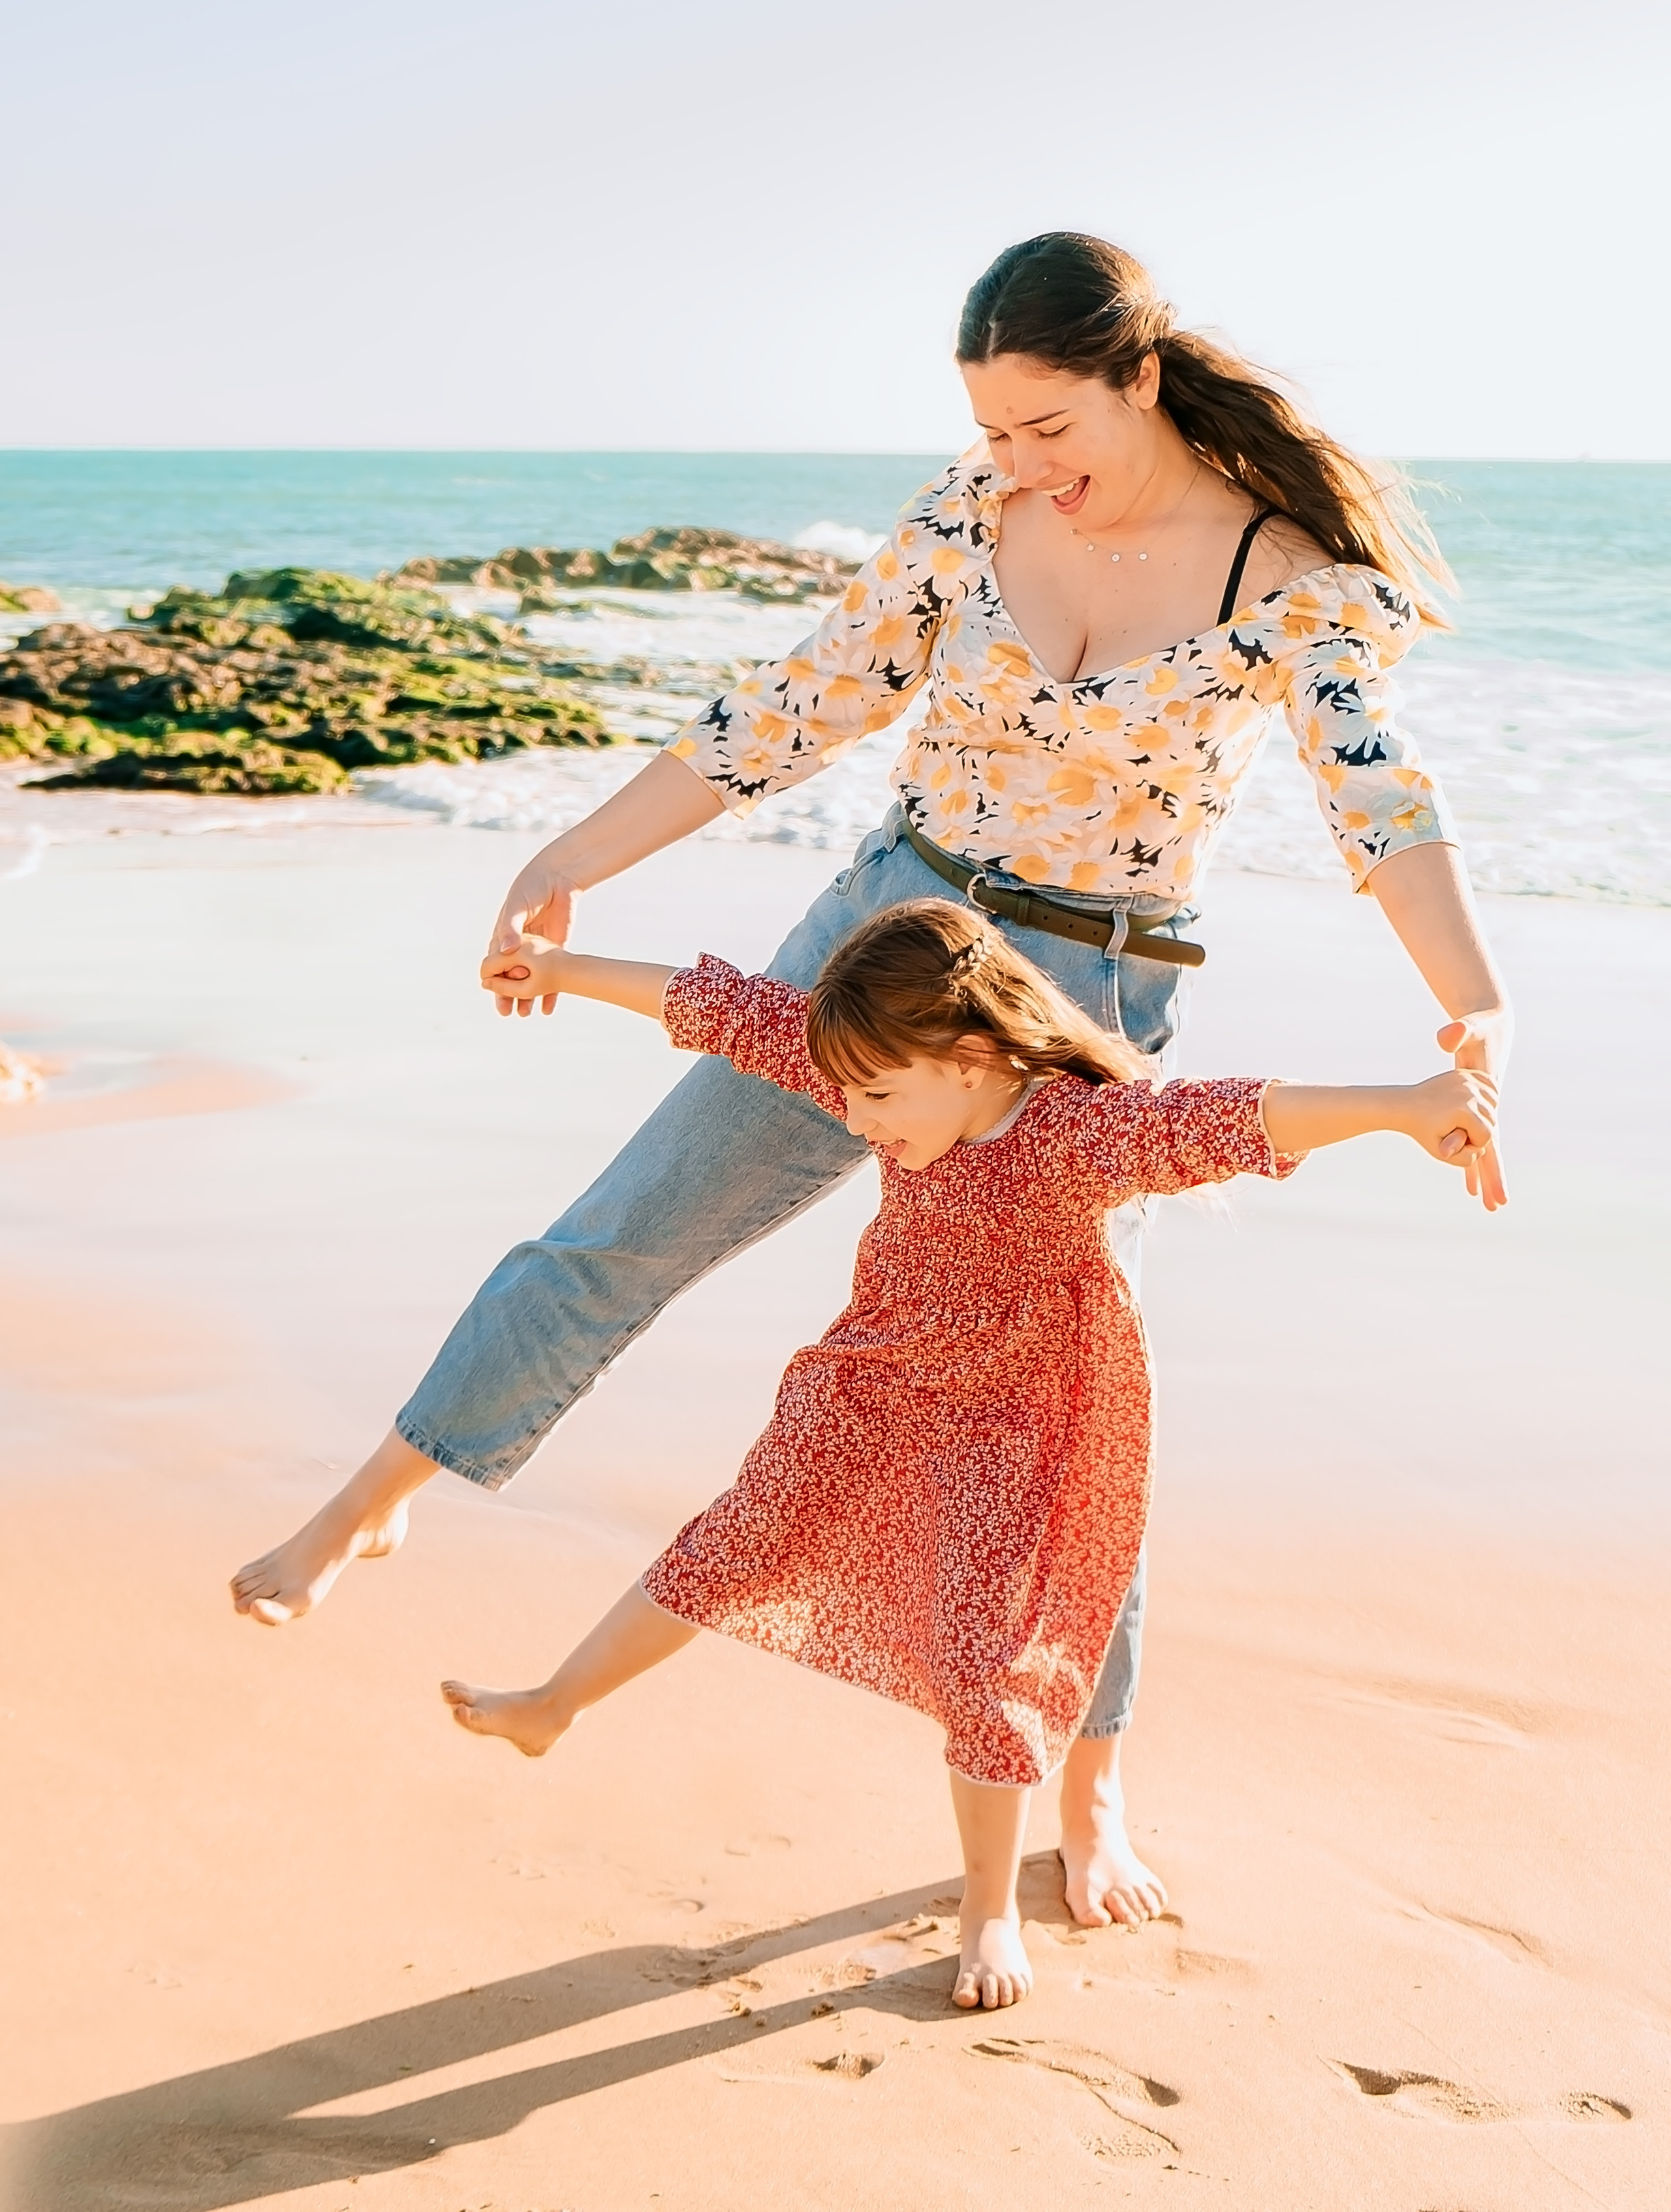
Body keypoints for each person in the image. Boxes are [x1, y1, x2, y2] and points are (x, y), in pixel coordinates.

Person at [232, 230, 1512, 1934]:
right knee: (629, 1231)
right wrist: (568, 856)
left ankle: (1092, 1787)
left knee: (1069, 1418)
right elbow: (790, 710)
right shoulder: (968, 514)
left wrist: (1470, 1004)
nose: (1021, 464)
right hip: (876, 944)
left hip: (1077, 1009)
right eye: (993, 430)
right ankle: (372, 1501)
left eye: (1049, 426)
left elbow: (1381, 800)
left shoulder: (1284, 577)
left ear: (1138, 378)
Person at [439, 900, 1497, 2012]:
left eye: (877, 1098)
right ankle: (553, 1704)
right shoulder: (887, 1073)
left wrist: (1407, 1107)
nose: (856, 1119)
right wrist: (559, 965)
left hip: (1015, 1422)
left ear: (973, 1059)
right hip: (873, 1375)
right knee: (737, 1539)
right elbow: (725, 1011)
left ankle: (989, 1909)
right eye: (849, 1095)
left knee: (991, 1665)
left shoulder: (1075, 1135)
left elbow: (1234, 1117)